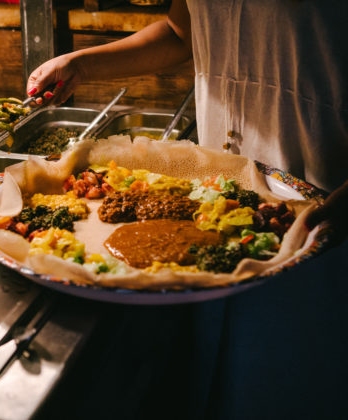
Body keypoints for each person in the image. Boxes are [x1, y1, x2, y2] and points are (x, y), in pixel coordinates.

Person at [27, 1, 348, 419]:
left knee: (294, 389)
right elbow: (184, 31)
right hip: (206, 215)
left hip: (324, 224)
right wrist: (82, 65)